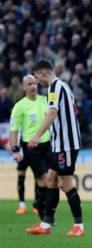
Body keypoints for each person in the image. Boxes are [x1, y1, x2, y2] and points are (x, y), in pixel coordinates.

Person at [25, 59, 84, 236]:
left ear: (43, 73)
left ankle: (79, 226)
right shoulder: (62, 87)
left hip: (66, 144)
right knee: (51, 179)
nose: (37, 82)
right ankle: (45, 225)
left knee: (65, 184)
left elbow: (52, 113)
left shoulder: (55, 87)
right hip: (59, 144)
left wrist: (37, 135)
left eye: (37, 78)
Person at [8, 75, 51, 219]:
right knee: (43, 179)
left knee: (50, 180)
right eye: (29, 84)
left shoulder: (45, 101)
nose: (33, 86)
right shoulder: (20, 106)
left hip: (49, 145)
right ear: (24, 87)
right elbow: (14, 129)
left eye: (34, 83)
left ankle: (39, 204)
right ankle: (44, 215)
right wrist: (15, 149)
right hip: (31, 147)